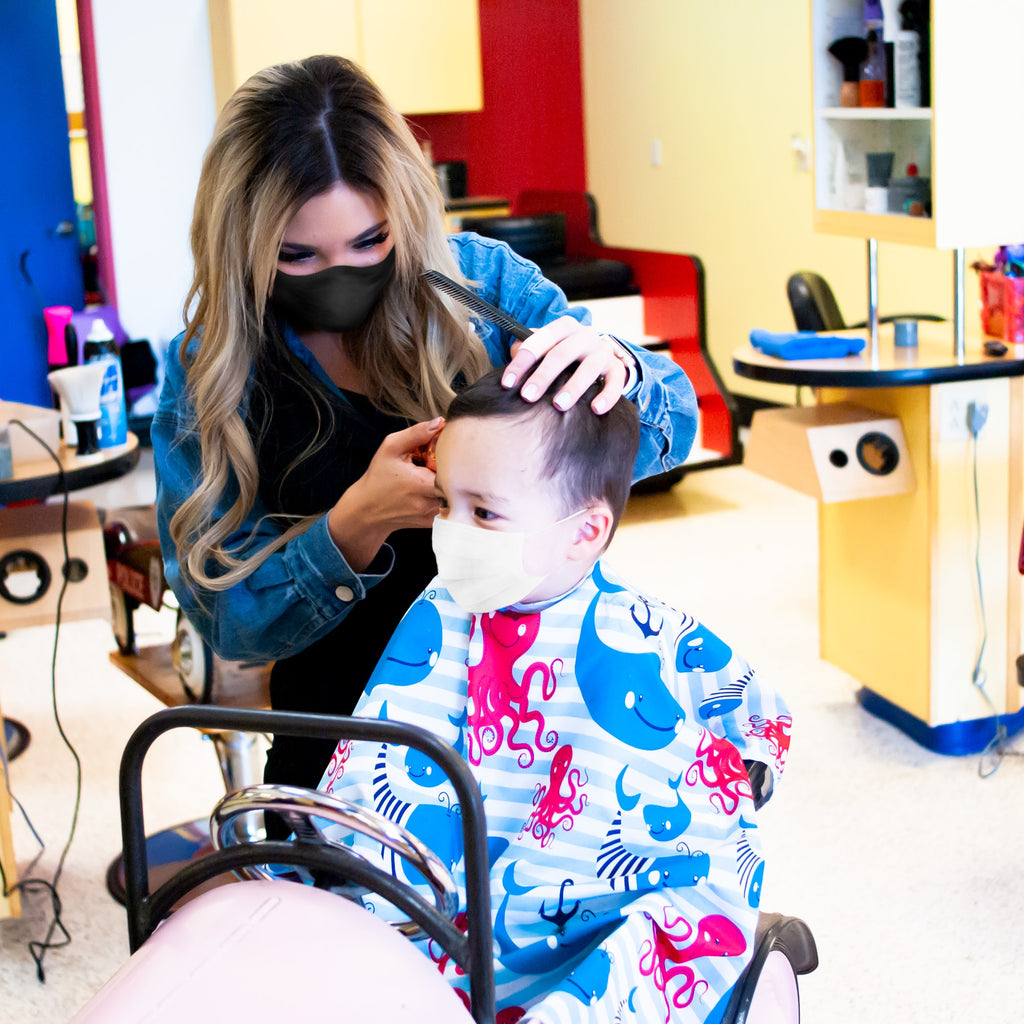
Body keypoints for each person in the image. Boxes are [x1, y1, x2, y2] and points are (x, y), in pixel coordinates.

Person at [152, 54, 698, 794]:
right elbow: (226, 622)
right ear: (244, 244)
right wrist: (350, 527)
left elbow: (672, 428)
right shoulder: (215, 369)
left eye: (371, 243)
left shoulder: (480, 287)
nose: (340, 275)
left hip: (535, 725)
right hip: (342, 735)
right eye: (297, 256)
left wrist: (618, 371)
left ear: (404, 213)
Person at [316, 367, 792, 1023]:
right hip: (444, 880)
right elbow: (384, 740)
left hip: (597, 891)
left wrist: (743, 770)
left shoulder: (643, 626)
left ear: (584, 532)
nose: (452, 532)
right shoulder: (441, 608)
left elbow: (752, 707)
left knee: (633, 957)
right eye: (447, 504)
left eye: (484, 512)